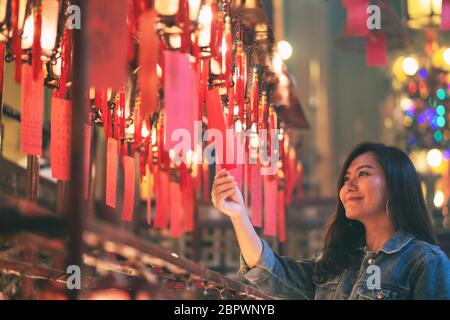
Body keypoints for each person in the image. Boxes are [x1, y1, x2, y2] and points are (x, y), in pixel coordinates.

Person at [211, 142, 450, 300]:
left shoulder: (425, 261)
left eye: (363, 173)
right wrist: (239, 215)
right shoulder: (338, 260)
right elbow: (273, 274)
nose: (349, 185)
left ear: (394, 187)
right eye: (346, 178)